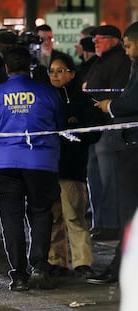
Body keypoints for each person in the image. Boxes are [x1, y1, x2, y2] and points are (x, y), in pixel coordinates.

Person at [0, 47, 65, 291]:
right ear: (30, 68)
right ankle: (39, 266)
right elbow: (58, 124)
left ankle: (18, 274)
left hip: (3, 162)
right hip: (41, 162)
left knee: (10, 218)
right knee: (40, 212)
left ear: (6, 68)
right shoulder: (47, 92)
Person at [47, 54, 104, 279]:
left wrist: (77, 133)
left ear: (71, 73)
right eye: (51, 71)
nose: (55, 75)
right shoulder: (46, 98)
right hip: (49, 169)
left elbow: (95, 131)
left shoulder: (83, 100)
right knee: (53, 220)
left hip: (72, 170)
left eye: (60, 70)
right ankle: (56, 261)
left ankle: (82, 263)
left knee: (74, 218)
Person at [89, 21, 138, 285]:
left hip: (132, 146)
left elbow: (133, 100)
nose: (128, 51)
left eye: (129, 46)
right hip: (130, 144)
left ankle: (122, 266)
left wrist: (111, 106)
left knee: (128, 212)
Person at [82, 25, 131, 242]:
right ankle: (100, 222)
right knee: (95, 178)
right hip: (96, 126)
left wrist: (94, 97)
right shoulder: (101, 60)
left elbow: (118, 92)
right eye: (94, 40)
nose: (96, 42)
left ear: (114, 40)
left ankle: (111, 224)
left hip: (109, 126)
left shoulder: (120, 61)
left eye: (100, 39)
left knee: (108, 178)